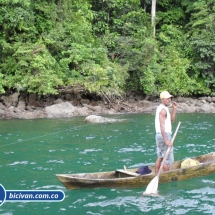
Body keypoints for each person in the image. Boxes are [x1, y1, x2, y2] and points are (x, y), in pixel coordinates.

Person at [155, 91, 177, 173]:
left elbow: (171, 121)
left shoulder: (165, 109)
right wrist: (166, 140)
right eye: (167, 98)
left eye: (170, 98)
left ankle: (156, 176)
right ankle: (166, 177)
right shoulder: (163, 110)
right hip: (164, 135)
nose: (169, 100)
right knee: (166, 160)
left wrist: (174, 109)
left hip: (160, 135)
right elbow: (162, 126)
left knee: (160, 157)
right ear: (162, 99)